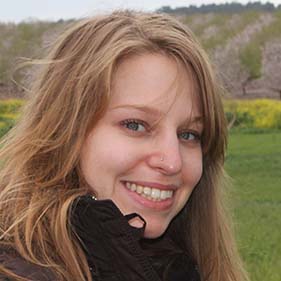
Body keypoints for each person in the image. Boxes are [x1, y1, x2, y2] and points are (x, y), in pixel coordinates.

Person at [0, 10, 249, 281]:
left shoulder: (186, 264)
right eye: (135, 125)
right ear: (66, 129)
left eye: (188, 134)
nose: (172, 161)